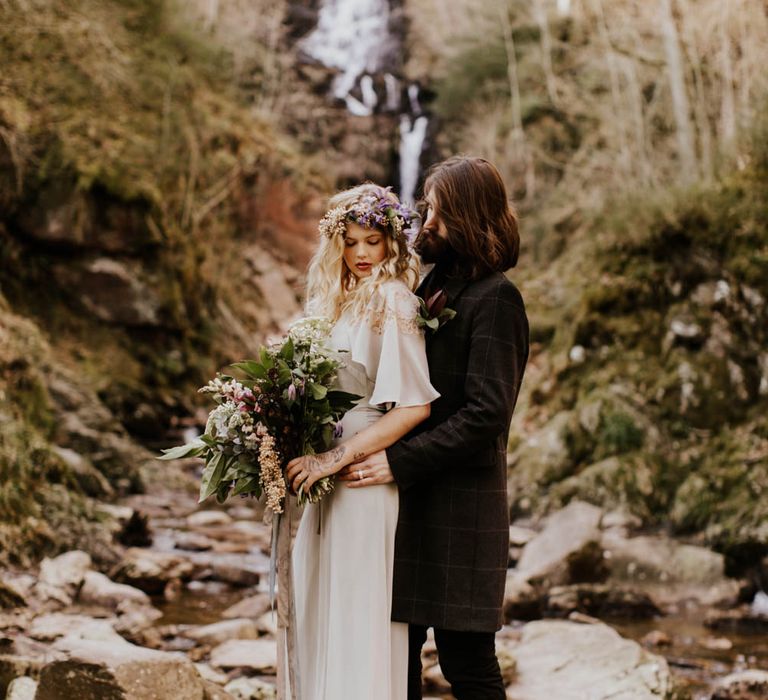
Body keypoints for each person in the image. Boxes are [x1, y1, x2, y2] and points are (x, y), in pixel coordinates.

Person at [338, 156, 529, 699]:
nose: (426, 220)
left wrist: (397, 460)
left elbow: (487, 414)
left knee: (466, 663)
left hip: (462, 509)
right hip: (413, 506)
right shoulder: (433, 285)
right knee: (397, 661)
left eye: (438, 210)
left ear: (465, 217)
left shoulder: (496, 298)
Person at [285, 183, 440, 700]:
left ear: (392, 242)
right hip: (325, 480)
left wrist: (334, 458)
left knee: (358, 615)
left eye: (372, 241)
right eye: (350, 243)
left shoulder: (395, 299)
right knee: (320, 607)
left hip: (360, 476)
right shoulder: (336, 300)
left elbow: (416, 406)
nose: (360, 255)